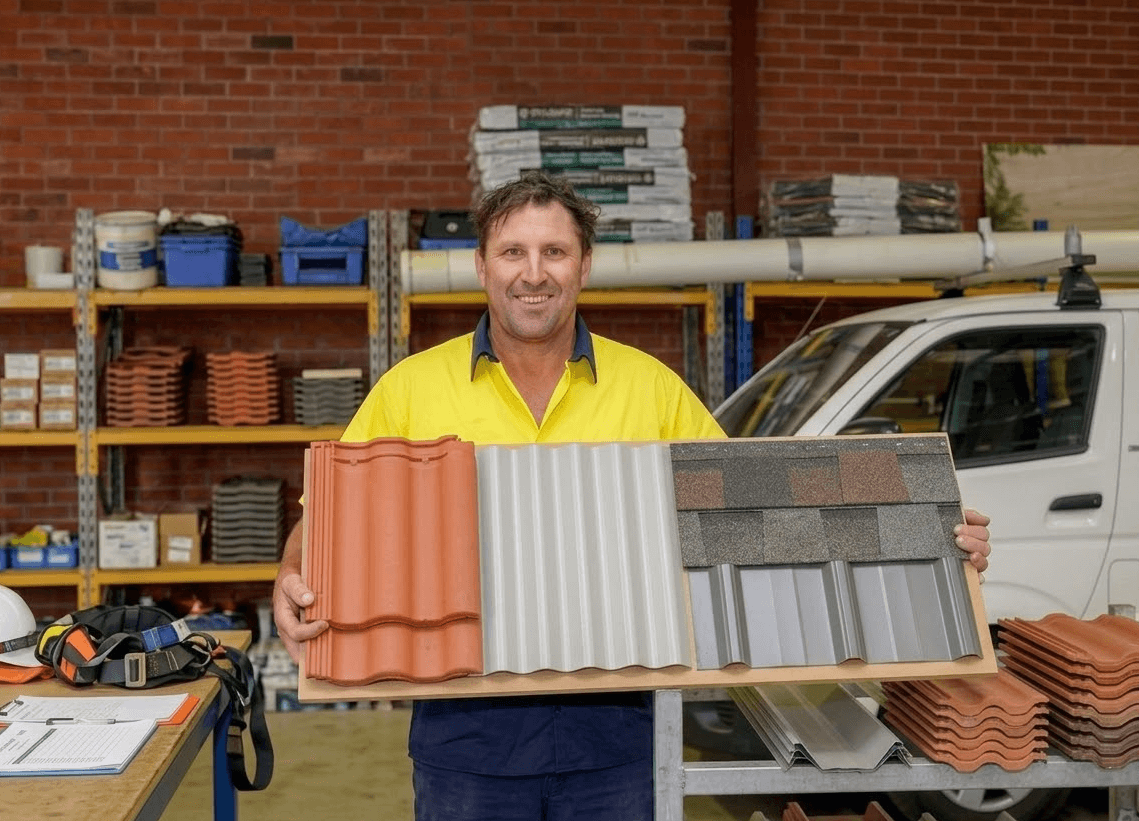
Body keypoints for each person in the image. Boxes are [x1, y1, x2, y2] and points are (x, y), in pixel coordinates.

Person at [273, 171, 993, 820]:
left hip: (618, 736)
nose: (533, 274)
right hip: (467, 736)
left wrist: (922, 525)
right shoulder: (411, 389)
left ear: (583, 265)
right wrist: (291, 572)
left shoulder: (648, 388)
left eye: (553, 252)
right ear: (481, 265)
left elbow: (761, 512)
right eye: (513, 252)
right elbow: (330, 513)